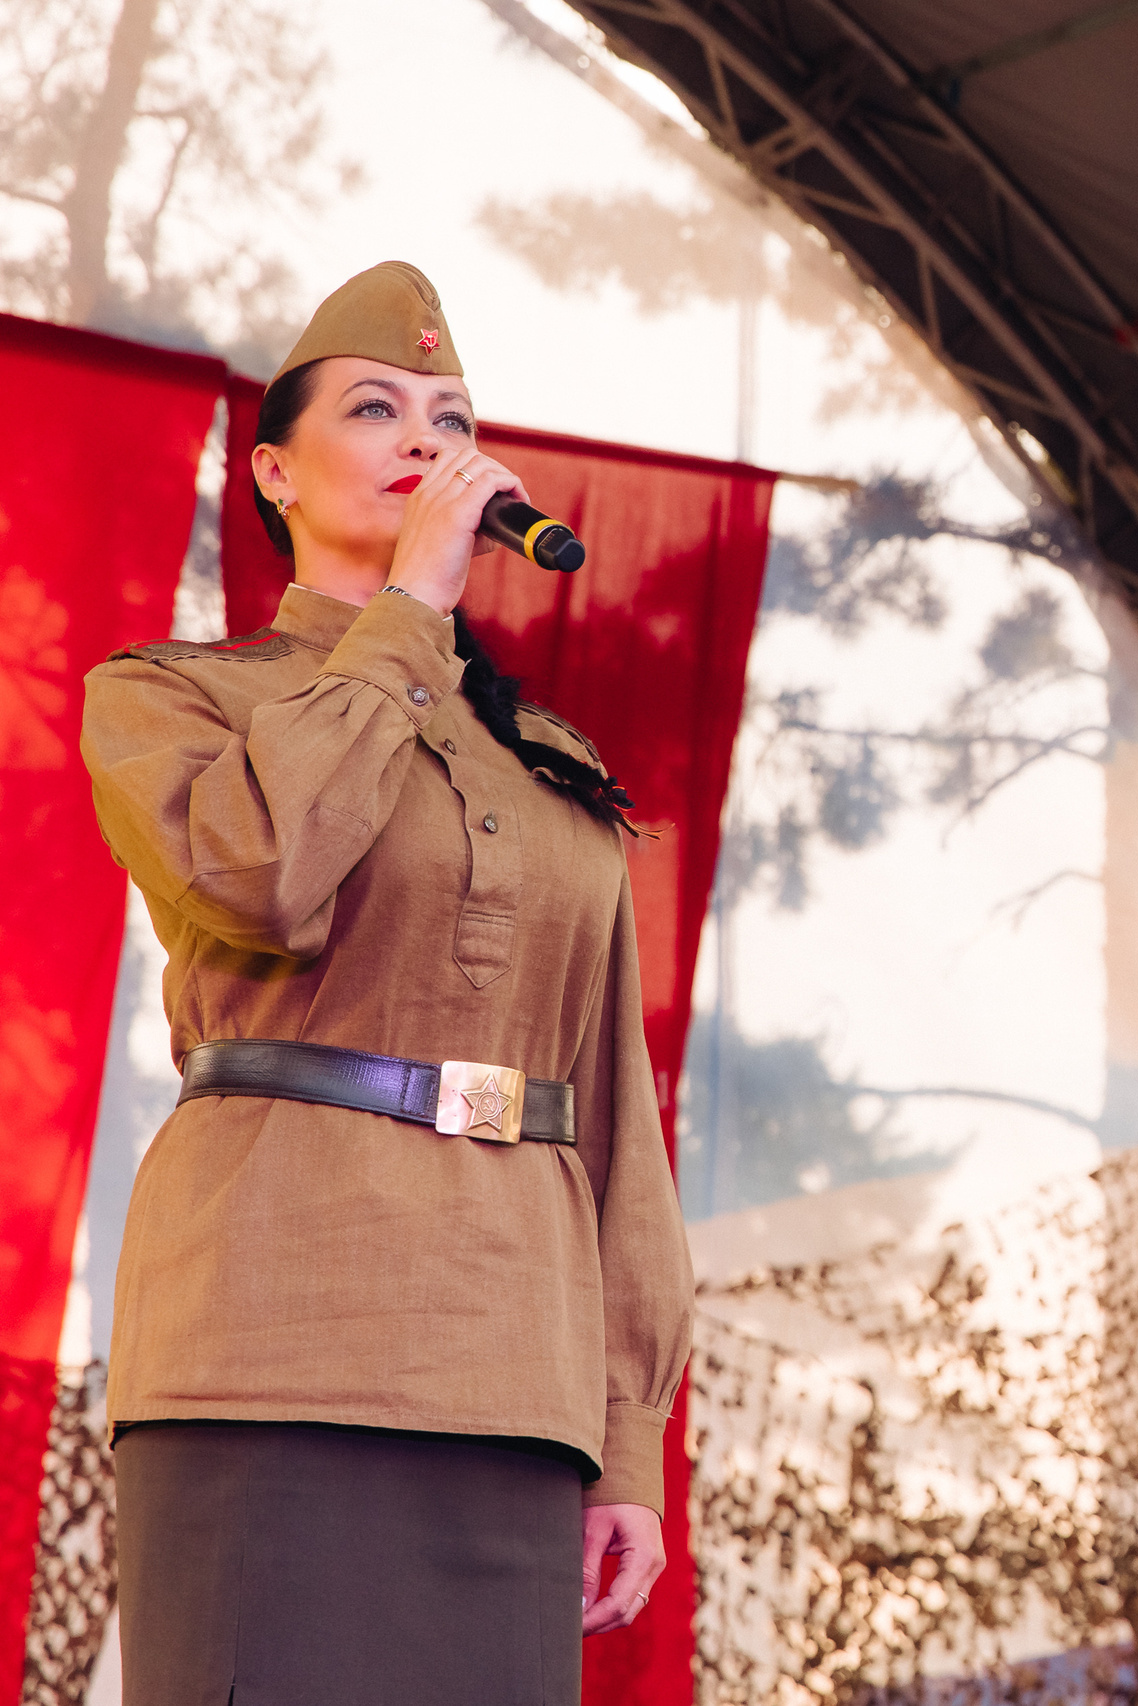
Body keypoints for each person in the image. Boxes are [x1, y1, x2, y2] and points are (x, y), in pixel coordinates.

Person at [79, 261, 692, 1704]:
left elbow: (615, 1112)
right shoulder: (174, 693)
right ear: (273, 472)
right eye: (375, 408)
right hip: (268, 1347)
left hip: (514, 1376)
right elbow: (264, 874)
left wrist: (626, 1437)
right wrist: (410, 605)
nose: (427, 437)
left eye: (452, 416)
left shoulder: (553, 763)